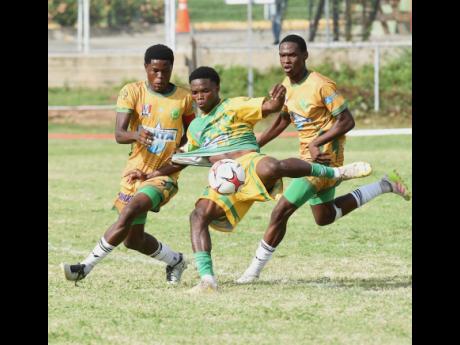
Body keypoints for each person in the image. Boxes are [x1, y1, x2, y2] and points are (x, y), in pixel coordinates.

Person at [165, 66, 372, 293]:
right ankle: (207, 281)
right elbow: (183, 158)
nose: (199, 97)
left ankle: (336, 172)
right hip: (225, 178)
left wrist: (274, 102)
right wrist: (151, 174)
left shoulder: (234, 105)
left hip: (263, 163)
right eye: (195, 93)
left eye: (205, 91)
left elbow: (270, 108)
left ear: (217, 89)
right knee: (198, 215)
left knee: (275, 174)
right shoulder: (195, 127)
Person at [236, 34, 411, 284]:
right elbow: (284, 121)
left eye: (292, 55)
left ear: (305, 56)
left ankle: (252, 272)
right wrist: (254, 145)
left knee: (281, 210)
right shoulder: (286, 86)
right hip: (308, 157)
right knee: (324, 217)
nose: (287, 60)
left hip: (326, 160)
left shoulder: (321, 85)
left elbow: (347, 120)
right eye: (282, 55)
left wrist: (317, 142)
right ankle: (385, 185)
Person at [60, 44, 195, 285]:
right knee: (133, 240)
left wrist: (179, 156)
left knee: (132, 209)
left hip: (164, 176)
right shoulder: (131, 92)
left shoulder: (184, 98)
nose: (160, 77)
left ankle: (84, 267)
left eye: (165, 71)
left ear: (172, 68)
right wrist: (136, 135)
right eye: (154, 71)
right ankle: (175, 260)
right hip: (135, 174)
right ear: (145, 68)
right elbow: (119, 134)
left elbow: (191, 137)